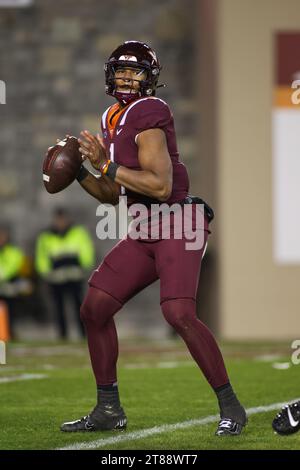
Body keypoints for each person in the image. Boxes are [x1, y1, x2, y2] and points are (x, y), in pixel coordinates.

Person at [60, 41, 247, 436]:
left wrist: (106, 164)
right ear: (110, 75)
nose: (127, 78)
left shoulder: (150, 111)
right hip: (145, 229)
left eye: (136, 71)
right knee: (94, 308)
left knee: (178, 314)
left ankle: (232, 406)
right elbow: (113, 193)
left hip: (178, 224)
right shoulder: (113, 116)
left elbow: (160, 186)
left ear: (151, 79)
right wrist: (79, 172)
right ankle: (108, 409)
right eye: (121, 71)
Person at [35, 208, 95, 339]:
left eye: (63, 219)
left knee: (79, 307)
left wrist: (83, 268)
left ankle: (83, 334)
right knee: (58, 308)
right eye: (59, 220)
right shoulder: (45, 236)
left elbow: (87, 250)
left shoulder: (78, 232)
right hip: (56, 279)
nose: (61, 222)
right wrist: (48, 273)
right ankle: (62, 335)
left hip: (75, 276)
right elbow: (41, 257)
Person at [0, 225, 26, 338]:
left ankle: (9, 332)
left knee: (10, 312)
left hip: (9, 287)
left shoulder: (13, 251)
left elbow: (14, 267)